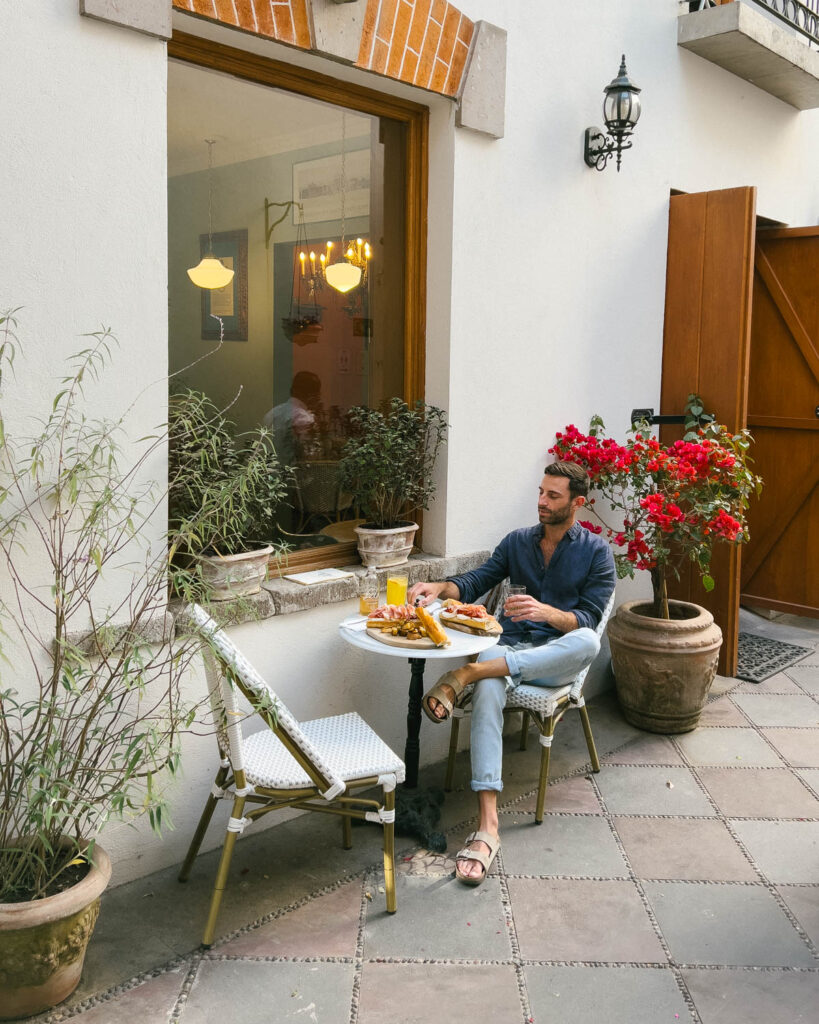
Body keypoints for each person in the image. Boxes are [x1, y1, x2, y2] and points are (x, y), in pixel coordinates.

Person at [408, 460, 616, 886]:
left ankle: (468, 674)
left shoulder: (596, 553)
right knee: (488, 689)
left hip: (553, 659)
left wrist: (547, 612)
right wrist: (439, 588)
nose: (541, 501)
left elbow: (589, 620)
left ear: (577, 503)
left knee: (589, 643)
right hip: (511, 647)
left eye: (553, 496)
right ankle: (488, 827)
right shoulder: (518, 542)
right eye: (541, 492)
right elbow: (475, 581)